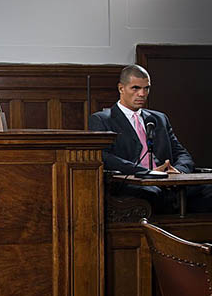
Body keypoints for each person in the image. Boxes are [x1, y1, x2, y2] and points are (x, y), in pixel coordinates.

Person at [88, 64, 212, 213]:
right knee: (153, 193)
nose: (142, 94)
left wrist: (178, 171)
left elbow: (181, 153)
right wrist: (147, 172)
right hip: (134, 183)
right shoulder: (102, 120)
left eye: (146, 88)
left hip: (169, 182)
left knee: (208, 189)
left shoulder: (159, 118)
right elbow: (104, 157)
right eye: (135, 88)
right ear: (121, 88)